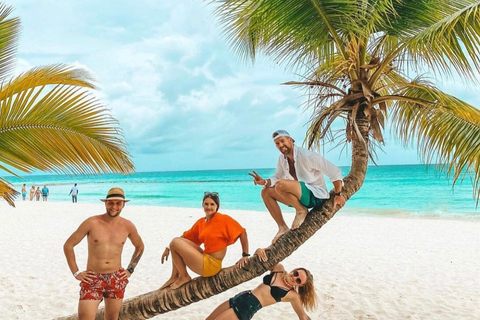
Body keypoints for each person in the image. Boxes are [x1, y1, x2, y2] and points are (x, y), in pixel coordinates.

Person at [249, 130, 346, 243]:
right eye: (277, 143)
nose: (280, 145)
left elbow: (334, 171)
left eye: (282, 141)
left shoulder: (307, 156)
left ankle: (301, 211)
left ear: (290, 140)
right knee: (265, 192)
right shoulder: (282, 159)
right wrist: (264, 181)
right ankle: (282, 227)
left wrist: (338, 194)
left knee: (280, 184)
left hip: (315, 196)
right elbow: (277, 176)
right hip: (299, 198)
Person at [63, 187, 144, 320]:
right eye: (110, 203)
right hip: (92, 278)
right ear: (105, 203)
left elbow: (140, 246)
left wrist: (130, 269)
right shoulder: (92, 222)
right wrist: (76, 273)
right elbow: (68, 245)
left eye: (118, 203)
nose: (114, 206)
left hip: (116, 278)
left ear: (124, 204)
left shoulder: (128, 226)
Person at [160, 191, 249, 290]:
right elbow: (185, 238)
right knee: (176, 242)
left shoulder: (223, 219)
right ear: (202, 205)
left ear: (217, 206)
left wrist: (245, 255)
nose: (209, 207)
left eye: (212, 204)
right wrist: (168, 248)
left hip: (211, 266)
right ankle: (174, 276)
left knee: (175, 242)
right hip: (204, 258)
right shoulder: (201, 222)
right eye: (206, 204)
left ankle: (184, 276)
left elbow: (242, 233)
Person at [206, 247, 317, 320]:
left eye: (298, 280)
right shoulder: (279, 269)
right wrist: (259, 250)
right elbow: (259, 260)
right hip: (240, 297)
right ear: (295, 269)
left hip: (247, 308)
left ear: (300, 285)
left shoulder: (292, 295)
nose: (294, 277)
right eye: (296, 273)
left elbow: (302, 316)